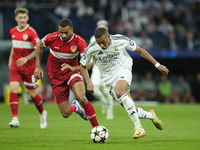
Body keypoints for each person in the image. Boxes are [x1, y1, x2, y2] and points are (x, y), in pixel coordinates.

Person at [80, 27, 169, 139]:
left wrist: (157, 65)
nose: (101, 46)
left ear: (108, 36)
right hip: (109, 80)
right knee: (132, 109)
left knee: (120, 92)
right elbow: (82, 66)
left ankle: (139, 128)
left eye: (103, 42)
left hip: (123, 69)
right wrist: (88, 81)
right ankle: (151, 115)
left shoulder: (120, 40)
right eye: (99, 43)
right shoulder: (92, 48)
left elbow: (140, 50)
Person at [34, 18, 99, 129]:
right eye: (61, 32)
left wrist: (87, 80)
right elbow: (39, 45)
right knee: (65, 113)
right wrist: (38, 66)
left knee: (82, 98)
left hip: (72, 73)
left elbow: (87, 65)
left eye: (66, 32)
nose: (63, 35)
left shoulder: (79, 42)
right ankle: (76, 108)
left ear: (72, 30)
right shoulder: (51, 38)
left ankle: (97, 128)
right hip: (55, 76)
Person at [8, 7, 47, 128]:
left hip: (29, 67)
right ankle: (15, 119)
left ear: (28, 18)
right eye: (20, 17)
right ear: (16, 19)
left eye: (24, 17)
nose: (22, 19)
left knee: (32, 94)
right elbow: (15, 46)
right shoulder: (12, 31)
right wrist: (10, 59)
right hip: (16, 65)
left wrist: (26, 58)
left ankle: (42, 113)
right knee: (13, 89)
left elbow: (38, 49)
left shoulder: (31, 32)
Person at [89, 20, 114, 120]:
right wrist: (90, 61)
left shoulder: (111, 38)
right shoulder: (93, 38)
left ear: (107, 29)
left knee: (107, 91)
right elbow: (91, 51)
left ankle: (110, 112)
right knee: (93, 90)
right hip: (97, 67)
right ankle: (104, 102)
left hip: (108, 68)